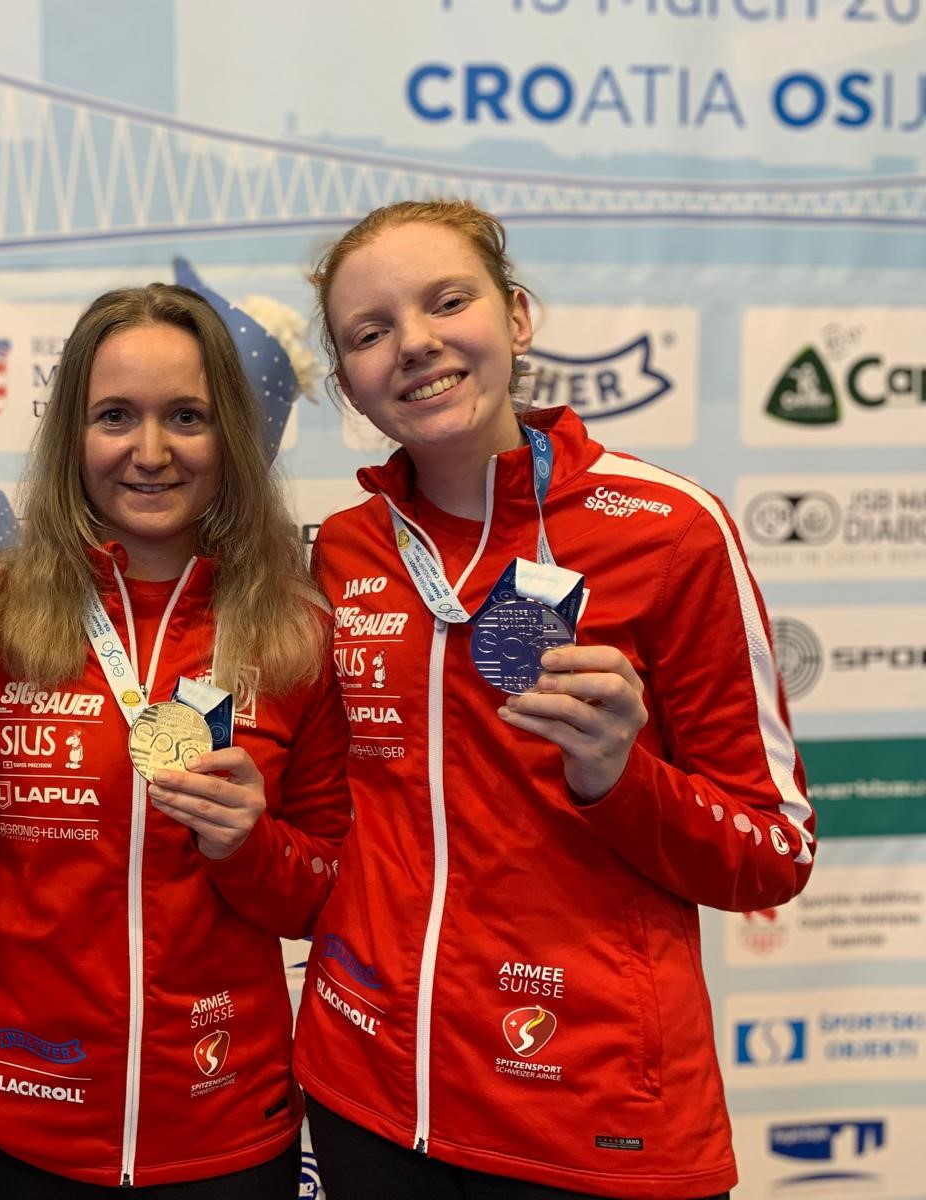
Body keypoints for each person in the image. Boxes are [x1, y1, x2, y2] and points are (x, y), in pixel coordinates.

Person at [291, 199, 817, 1200]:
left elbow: (773, 852)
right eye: (369, 332)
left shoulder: (667, 529)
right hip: (366, 1095)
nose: (414, 344)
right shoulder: (346, 549)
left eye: (448, 301)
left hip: (585, 1115)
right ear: (348, 382)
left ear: (518, 317)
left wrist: (618, 777)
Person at [0, 284, 352, 1197]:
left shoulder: (294, 634)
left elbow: (322, 893)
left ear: (231, 438)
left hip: (224, 1126)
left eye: (188, 417)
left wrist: (252, 844)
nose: (152, 451)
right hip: (9, 1117)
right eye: (116, 416)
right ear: (71, 438)